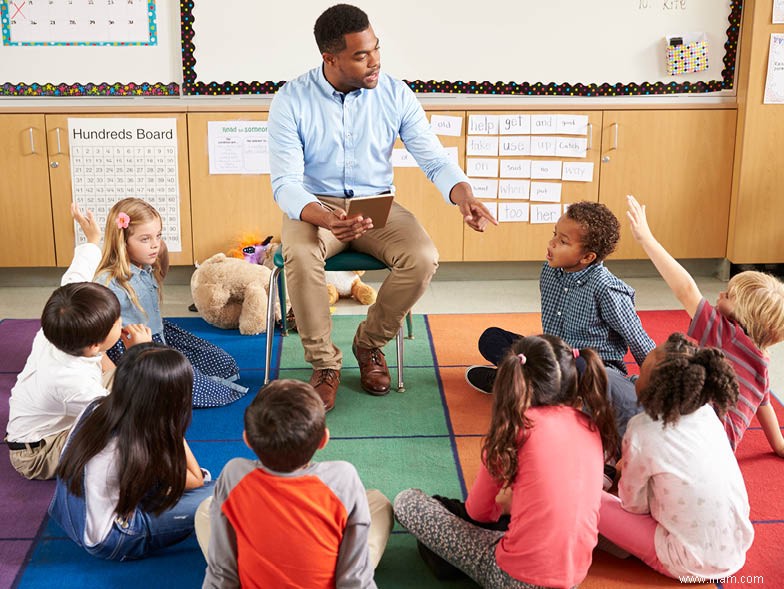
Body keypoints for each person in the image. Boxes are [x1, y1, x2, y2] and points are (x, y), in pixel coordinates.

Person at [268, 3, 496, 411]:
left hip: (376, 206)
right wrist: (325, 217)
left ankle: (369, 345)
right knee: (300, 254)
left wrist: (465, 196)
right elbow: (285, 183)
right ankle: (325, 365)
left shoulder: (394, 93)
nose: (375, 61)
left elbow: (434, 158)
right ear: (330, 57)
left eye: (375, 49)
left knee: (423, 256)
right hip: (315, 208)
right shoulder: (291, 100)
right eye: (361, 55)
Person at [395, 335, 618, 589]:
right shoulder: (589, 425)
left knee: (407, 502)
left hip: (513, 578)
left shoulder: (515, 427)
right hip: (574, 577)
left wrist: (501, 507)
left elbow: (478, 512)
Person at [465, 201, 654, 439]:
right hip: (555, 358)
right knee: (491, 338)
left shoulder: (607, 289)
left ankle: (517, 384)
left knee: (581, 370)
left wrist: (662, 384)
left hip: (590, 368)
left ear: (587, 256)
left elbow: (638, 340)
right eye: (555, 234)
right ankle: (525, 384)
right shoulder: (550, 271)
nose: (552, 243)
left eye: (563, 241)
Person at [627, 194, 784, 454]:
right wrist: (779, 444)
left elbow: (686, 289)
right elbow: (763, 406)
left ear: (744, 318)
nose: (721, 294)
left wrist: (647, 239)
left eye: (729, 296)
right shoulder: (762, 360)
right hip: (720, 449)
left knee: (615, 384)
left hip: (686, 435)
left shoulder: (725, 333)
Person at [199, 379, 393, 588]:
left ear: (247, 440)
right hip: (339, 574)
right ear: (323, 440)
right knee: (379, 503)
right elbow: (356, 579)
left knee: (205, 509)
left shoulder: (233, 474)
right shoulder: (343, 477)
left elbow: (221, 574)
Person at [5, 204, 150, 480]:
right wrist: (139, 353)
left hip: (56, 417)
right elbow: (118, 417)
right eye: (116, 322)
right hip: (38, 453)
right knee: (133, 436)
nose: (122, 323)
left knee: (134, 381)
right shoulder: (72, 381)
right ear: (95, 345)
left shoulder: (60, 325)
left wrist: (92, 240)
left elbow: (76, 276)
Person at [598, 333, 753, 580]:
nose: (635, 374)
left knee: (586, 497)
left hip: (686, 564)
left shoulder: (641, 429)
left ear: (652, 392)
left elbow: (633, 505)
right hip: (735, 549)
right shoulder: (708, 415)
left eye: (642, 370)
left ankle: (626, 545)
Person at [48, 342, 213, 560]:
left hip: (71, 517)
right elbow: (196, 480)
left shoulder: (98, 406)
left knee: (203, 484)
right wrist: (169, 423)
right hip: (114, 536)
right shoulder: (141, 437)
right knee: (227, 492)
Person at [94, 197, 248, 408]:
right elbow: (97, 342)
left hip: (160, 336)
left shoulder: (144, 264)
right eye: (145, 239)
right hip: (136, 351)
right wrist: (116, 380)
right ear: (122, 241)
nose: (155, 244)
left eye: (158, 235)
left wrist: (156, 244)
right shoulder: (109, 283)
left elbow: (160, 264)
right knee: (198, 390)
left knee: (224, 364)